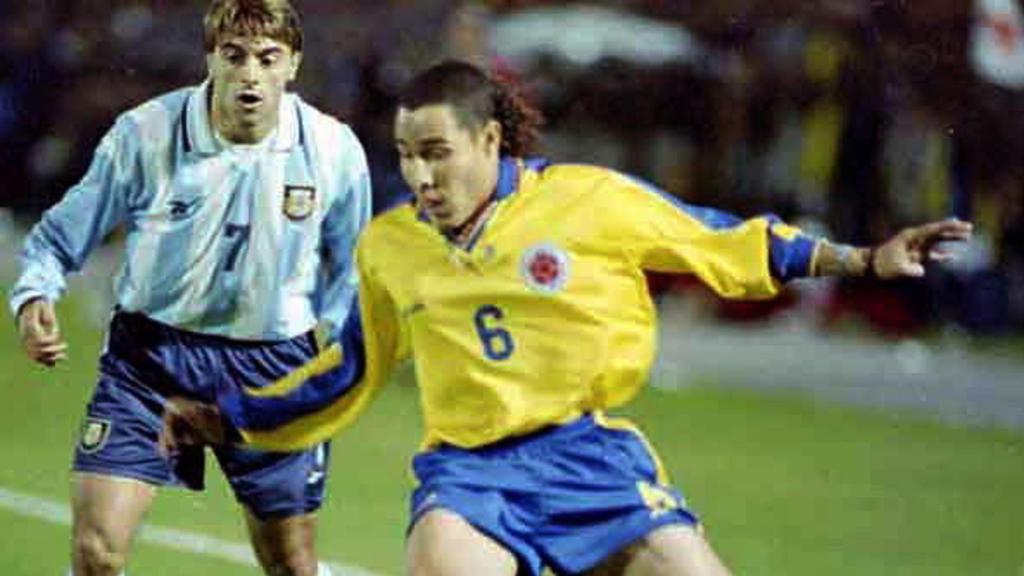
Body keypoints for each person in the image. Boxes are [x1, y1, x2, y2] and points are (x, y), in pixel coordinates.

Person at [161, 60, 973, 576]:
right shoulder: (390, 247)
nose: (420, 176)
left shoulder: (588, 200)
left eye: (437, 152)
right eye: (406, 155)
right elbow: (347, 373)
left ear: (489, 139)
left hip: (590, 462)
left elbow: (724, 242)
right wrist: (230, 415)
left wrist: (861, 260)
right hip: (469, 478)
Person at [9, 1, 371, 575]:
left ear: (293, 64)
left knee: (291, 564)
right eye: (234, 56)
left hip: (275, 369)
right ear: (210, 59)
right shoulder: (146, 134)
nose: (250, 74)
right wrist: (34, 296)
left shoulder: (333, 149)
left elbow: (353, 268)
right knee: (96, 552)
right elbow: (59, 235)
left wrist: (334, 351)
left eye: (267, 58)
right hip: (150, 362)